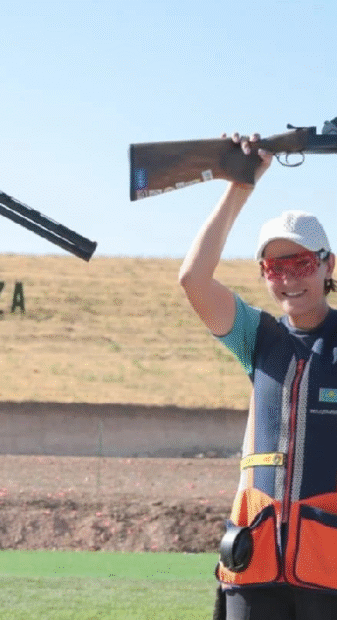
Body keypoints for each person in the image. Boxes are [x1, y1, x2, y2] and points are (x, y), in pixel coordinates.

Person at [179, 135, 337, 620]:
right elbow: (194, 279)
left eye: (303, 263)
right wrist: (239, 184)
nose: (288, 278)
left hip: (329, 565)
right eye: (275, 267)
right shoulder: (259, 336)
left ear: (329, 264)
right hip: (254, 559)